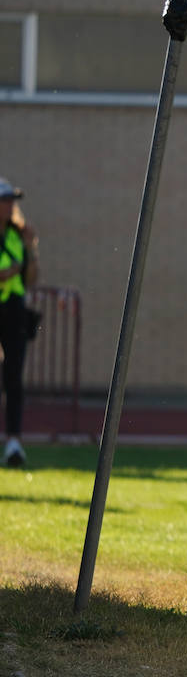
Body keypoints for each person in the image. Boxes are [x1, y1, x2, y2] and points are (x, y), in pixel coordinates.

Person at [0, 178, 38, 468]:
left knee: (14, 377)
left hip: (14, 309)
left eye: (11, 200)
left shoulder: (17, 235)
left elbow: (31, 279)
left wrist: (31, 251)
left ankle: (13, 442)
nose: (10, 205)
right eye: (5, 200)